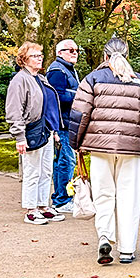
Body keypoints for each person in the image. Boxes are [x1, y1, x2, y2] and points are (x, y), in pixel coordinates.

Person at [70, 37, 140, 265]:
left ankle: (105, 237)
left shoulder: (92, 79)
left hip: (99, 148)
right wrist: (139, 137)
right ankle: (127, 249)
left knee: (103, 195)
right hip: (130, 149)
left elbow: (80, 114)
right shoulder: (139, 81)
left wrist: (76, 143)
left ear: (104, 56)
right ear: (126, 55)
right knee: (129, 197)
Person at [5, 42, 64, 225]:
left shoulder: (40, 78)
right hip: (31, 130)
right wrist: (19, 137)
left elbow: (48, 106)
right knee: (32, 171)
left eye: (41, 55)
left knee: (46, 170)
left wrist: (54, 130)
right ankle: (31, 210)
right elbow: (14, 109)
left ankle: (43, 205)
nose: (39, 58)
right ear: (24, 59)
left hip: (45, 130)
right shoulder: (19, 80)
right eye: (34, 56)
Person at [46, 39, 80, 214]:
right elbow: (55, 96)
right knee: (66, 161)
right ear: (60, 53)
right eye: (70, 50)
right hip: (62, 124)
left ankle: (61, 197)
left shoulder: (68, 70)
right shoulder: (57, 71)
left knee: (63, 161)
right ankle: (62, 200)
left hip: (68, 122)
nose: (74, 52)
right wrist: (79, 95)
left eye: (76, 50)